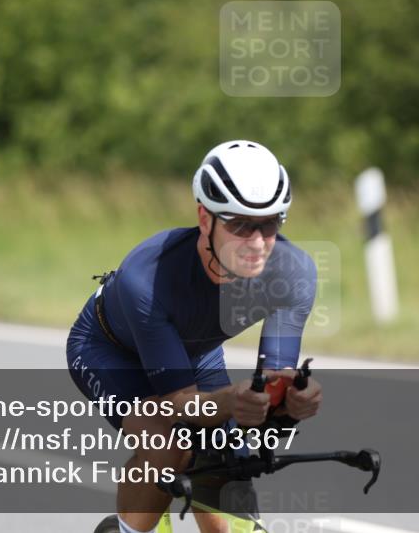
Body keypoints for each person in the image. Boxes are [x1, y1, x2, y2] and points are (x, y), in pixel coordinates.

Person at [66, 140, 323, 533]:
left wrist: (289, 401)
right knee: (172, 445)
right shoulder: (147, 277)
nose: (256, 243)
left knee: (226, 459)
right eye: (239, 224)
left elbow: (273, 384)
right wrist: (232, 401)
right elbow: (179, 405)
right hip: (108, 348)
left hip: (194, 353)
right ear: (205, 219)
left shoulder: (293, 274)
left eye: (269, 224)